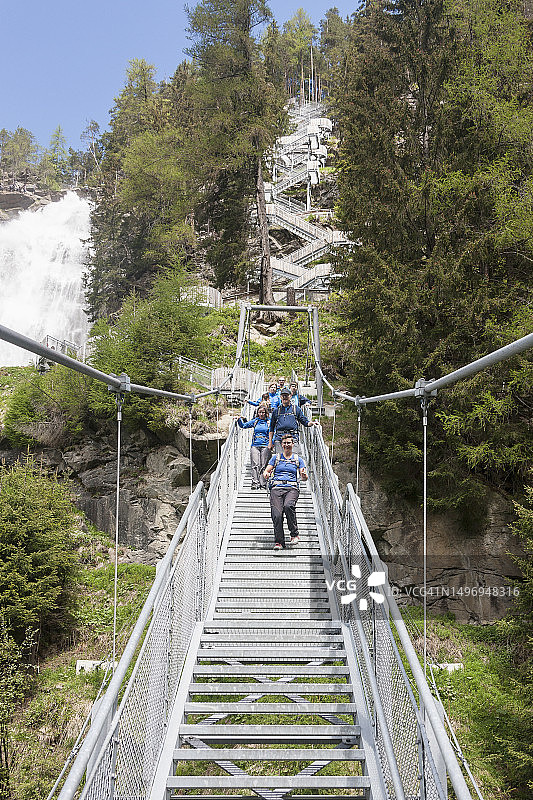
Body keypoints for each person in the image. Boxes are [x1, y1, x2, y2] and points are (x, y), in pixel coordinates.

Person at [264, 433, 308, 552]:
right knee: (277, 515)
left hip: (291, 488)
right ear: (281, 444)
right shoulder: (276, 457)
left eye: (289, 443)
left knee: (288, 506)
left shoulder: (297, 459)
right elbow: (266, 471)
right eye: (284, 443)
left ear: (293, 444)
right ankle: (279, 541)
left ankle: (294, 534)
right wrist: (266, 474)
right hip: (276, 487)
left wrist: (303, 475)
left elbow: (304, 477)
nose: (287, 445)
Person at [269, 386, 318, 455]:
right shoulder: (276, 411)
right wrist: (270, 442)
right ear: (280, 397)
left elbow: (304, 421)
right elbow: (271, 428)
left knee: (293, 460)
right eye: (283, 396)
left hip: (293, 438)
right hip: (279, 439)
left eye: (286, 395)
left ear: (290, 396)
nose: (284, 397)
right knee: (280, 461)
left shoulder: (296, 409)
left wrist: (311, 423)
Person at [237, 405, 271, 489]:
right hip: (255, 445)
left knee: (264, 464)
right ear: (257, 413)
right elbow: (244, 426)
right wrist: (239, 419)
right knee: (255, 464)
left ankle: (263, 483)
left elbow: (272, 433)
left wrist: (271, 443)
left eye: (263, 412)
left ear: (266, 413)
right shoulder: (255, 421)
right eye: (260, 412)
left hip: (265, 445)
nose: (261, 414)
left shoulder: (269, 422)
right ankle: (255, 483)